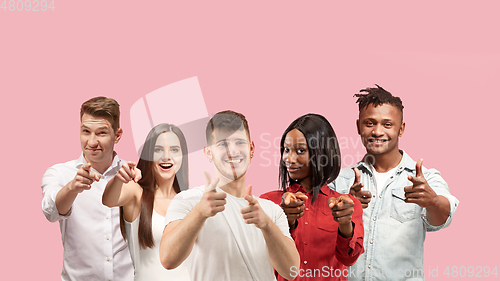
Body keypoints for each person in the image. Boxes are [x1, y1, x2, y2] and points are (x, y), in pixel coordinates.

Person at [329, 85, 459, 281]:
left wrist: (433, 201)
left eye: (387, 124)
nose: (377, 131)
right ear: (358, 126)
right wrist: (348, 205)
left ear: (401, 128)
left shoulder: (426, 179)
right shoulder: (340, 180)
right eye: (370, 123)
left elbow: (442, 219)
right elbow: (321, 233)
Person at [159, 110, 300, 281]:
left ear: (251, 148)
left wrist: (266, 225)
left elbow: (292, 272)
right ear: (208, 152)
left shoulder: (271, 210)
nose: (232, 151)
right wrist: (200, 212)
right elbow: (168, 259)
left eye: (239, 142)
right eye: (222, 144)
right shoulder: (188, 200)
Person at [261, 113, 364, 281]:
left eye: (300, 150)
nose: (289, 158)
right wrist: (286, 221)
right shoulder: (268, 202)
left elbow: (348, 259)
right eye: (286, 149)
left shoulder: (347, 205)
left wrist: (345, 223)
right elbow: (261, 258)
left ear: (322, 153)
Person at [41, 97, 133, 281]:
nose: (92, 141)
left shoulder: (133, 174)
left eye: (101, 133)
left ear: (118, 135)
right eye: (86, 131)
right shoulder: (59, 173)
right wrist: (72, 188)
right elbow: (51, 212)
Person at [102, 123, 191, 280]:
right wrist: (119, 177)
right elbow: (108, 199)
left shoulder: (188, 201)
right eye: (158, 150)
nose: (167, 156)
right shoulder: (137, 192)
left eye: (175, 150)